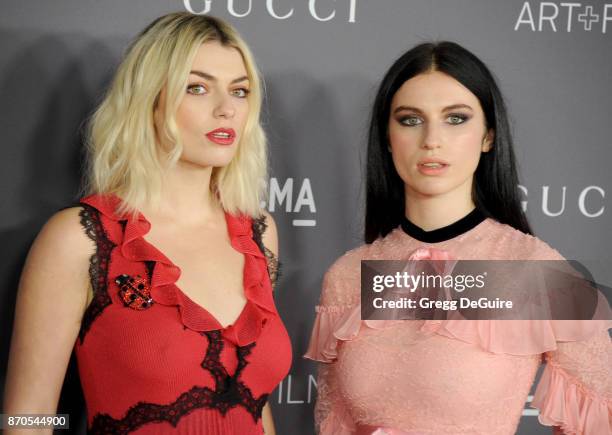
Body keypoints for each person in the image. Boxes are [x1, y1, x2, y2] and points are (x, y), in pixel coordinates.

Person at [4, 12, 291, 434]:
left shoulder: (258, 233)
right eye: (197, 87)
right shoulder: (81, 239)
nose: (227, 109)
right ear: (149, 101)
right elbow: (26, 417)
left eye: (240, 91)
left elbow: (254, 404)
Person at [305, 41, 611, 434]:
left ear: (488, 136)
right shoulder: (349, 275)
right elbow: (336, 424)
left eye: (456, 118)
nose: (432, 139)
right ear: (387, 137)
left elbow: (599, 417)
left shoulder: (534, 270)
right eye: (410, 120)